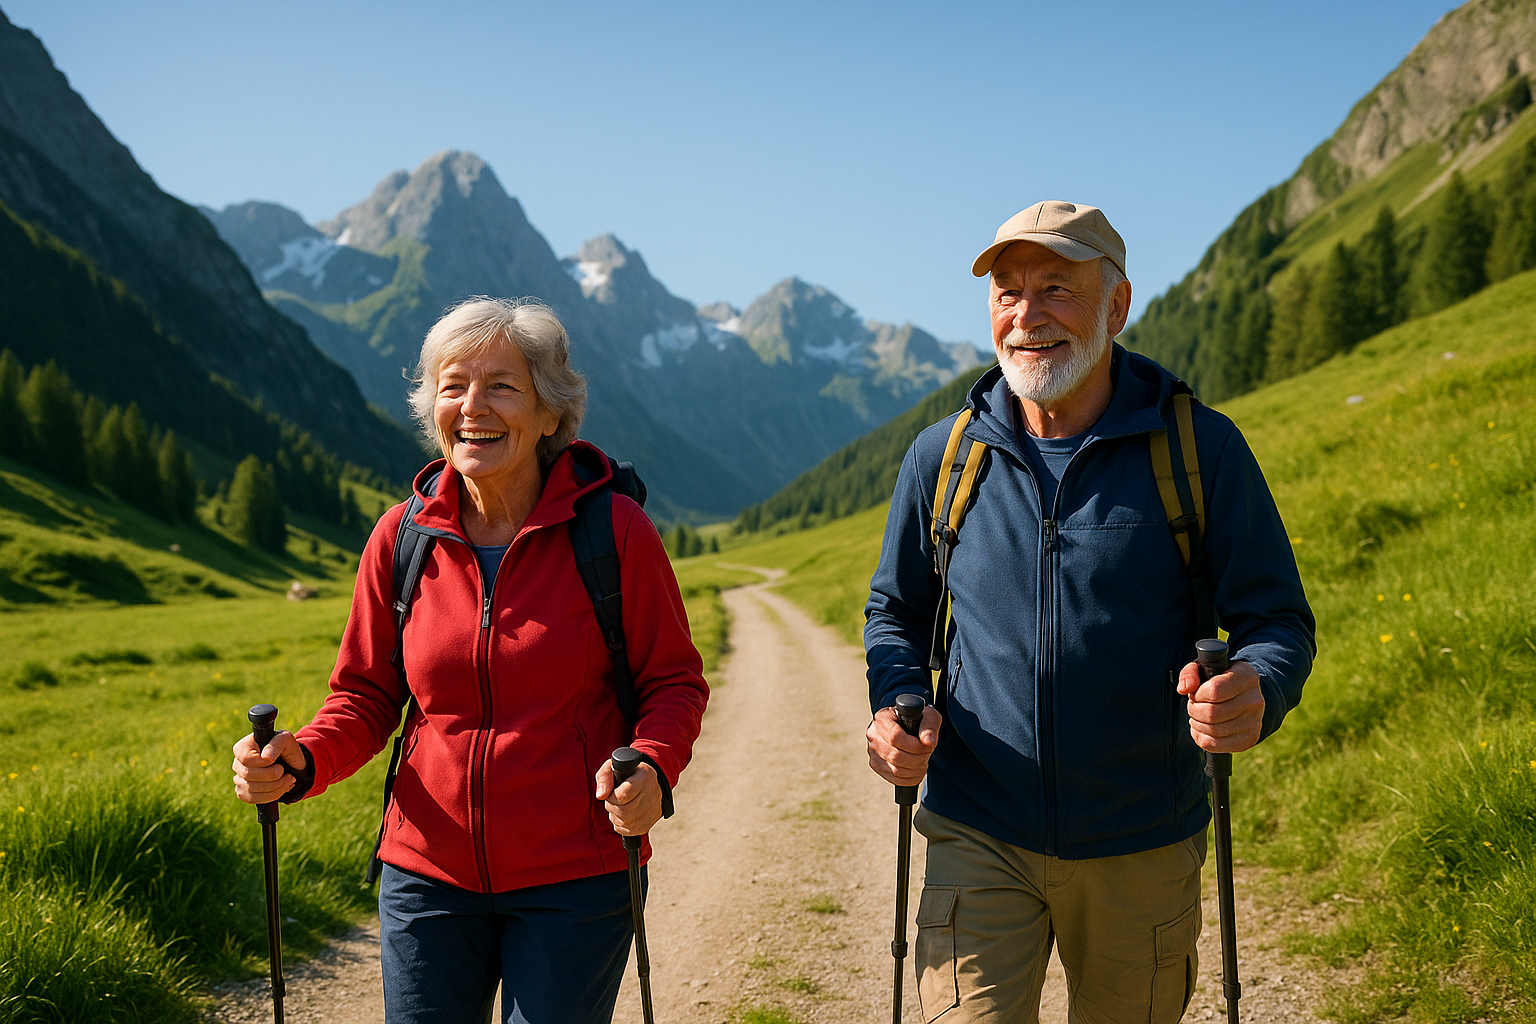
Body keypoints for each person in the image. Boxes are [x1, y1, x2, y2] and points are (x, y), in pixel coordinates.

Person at [864, 201, 1315, 1022]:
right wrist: (896, 703)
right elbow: (895, 611)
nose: (1026, 317)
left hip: (1141, 840)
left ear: (1116, 306)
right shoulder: (944, 456)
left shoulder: (1200, 450)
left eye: (1056, 289)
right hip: (978, 829)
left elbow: (1277, 620)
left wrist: (1259, 684)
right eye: (1006, 293)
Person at [232, 296, 709, 1024]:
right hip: (426, 874)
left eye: (502, 386)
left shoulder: (614, 531)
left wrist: (650, 765)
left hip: (576, 879)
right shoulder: (402, 536)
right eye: (453, 386)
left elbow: (673, 682)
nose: (472, 406)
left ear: (551, 413)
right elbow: (362, 695)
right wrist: (302, 759)